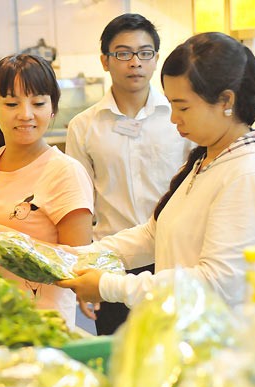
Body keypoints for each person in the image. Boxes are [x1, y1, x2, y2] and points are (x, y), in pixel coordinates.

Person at [58, 32, 255, 319]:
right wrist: (79, 256)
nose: (174, 118)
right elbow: (155, 234)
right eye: (172, 105)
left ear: (226, 100)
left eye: (183, 106)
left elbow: (219, 283)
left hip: (222, 343)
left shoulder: (249, 172)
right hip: (183, 329)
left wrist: (110, 286)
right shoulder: (210, 157)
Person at [65, 13, 192, 334]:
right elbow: (79, 205)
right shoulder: (84, 125)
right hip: (112, 263)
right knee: (119, 357)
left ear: (156, 59)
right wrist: (81, 264)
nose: (135, 62)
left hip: (172, 258)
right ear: (105, 61)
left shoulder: (181, 119)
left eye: (144, 53)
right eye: (123, 53)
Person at [0, 54, 94, 329]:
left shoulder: (65, 171)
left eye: (38, 103)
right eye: (11, 103)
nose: (26, 114)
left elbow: (77, 265)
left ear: (53, 108)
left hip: (41, 325)